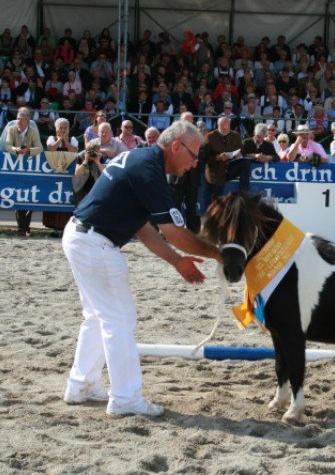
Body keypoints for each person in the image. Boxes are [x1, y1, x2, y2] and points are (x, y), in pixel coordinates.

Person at [62, 121, 222, 417]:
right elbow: (172, 232)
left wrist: (176, 261)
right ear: (176, 146)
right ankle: (125, 398)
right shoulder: (150, 169)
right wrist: (217, 254)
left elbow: (143, 228)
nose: (194, 163)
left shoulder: (142, 161)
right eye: (193, 155)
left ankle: (81, 385)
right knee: (119, 320)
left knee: (99, 317)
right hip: (95, 242)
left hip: (82, 236)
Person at [5, 107, 43, 236]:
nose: (18, 121)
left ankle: (25, 227)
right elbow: (7, 145)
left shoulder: (33, 131)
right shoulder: (11, 129)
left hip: (29, 167)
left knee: (29, 199)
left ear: (27, 120)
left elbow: (40, 148)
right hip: (14, 167)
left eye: (21, 119)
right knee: (17, 197)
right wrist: (16, 149)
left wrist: (28, 150)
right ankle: (22, 228)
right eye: (18, 118)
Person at [168, 112, 202, 234]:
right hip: (176, 176)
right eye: (185, 120)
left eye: (190, 120)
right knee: (174, 206)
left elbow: (202, 153)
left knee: (192, 206)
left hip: (192, 177)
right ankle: (174, 232)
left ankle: (193, 232)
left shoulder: (198, 136)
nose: (187, 123)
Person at [44, 117, 79, 235]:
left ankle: (65, 228)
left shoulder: (73, 139)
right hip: (54, 176)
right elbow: (51, 148)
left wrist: (66, 141)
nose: (63, 130)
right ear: (56, 129)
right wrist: (60, 140)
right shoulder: (51, 138)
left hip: (67, 177)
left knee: (66, 200)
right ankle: (53, 228)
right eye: (61, 128)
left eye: (65, 128)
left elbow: (74, 150)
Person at [202, 116, 249, 198]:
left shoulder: (235, 135)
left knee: (245, 163)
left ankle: (244, 194)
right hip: (216, 170)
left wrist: (239, 154)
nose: (226, 130)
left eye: (228, 128)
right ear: (218, 125)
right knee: (217, 200)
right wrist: (218, 157)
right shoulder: (209, 137)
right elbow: (204, 158)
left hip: (230, 167)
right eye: (223, 129)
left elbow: (243, 152)